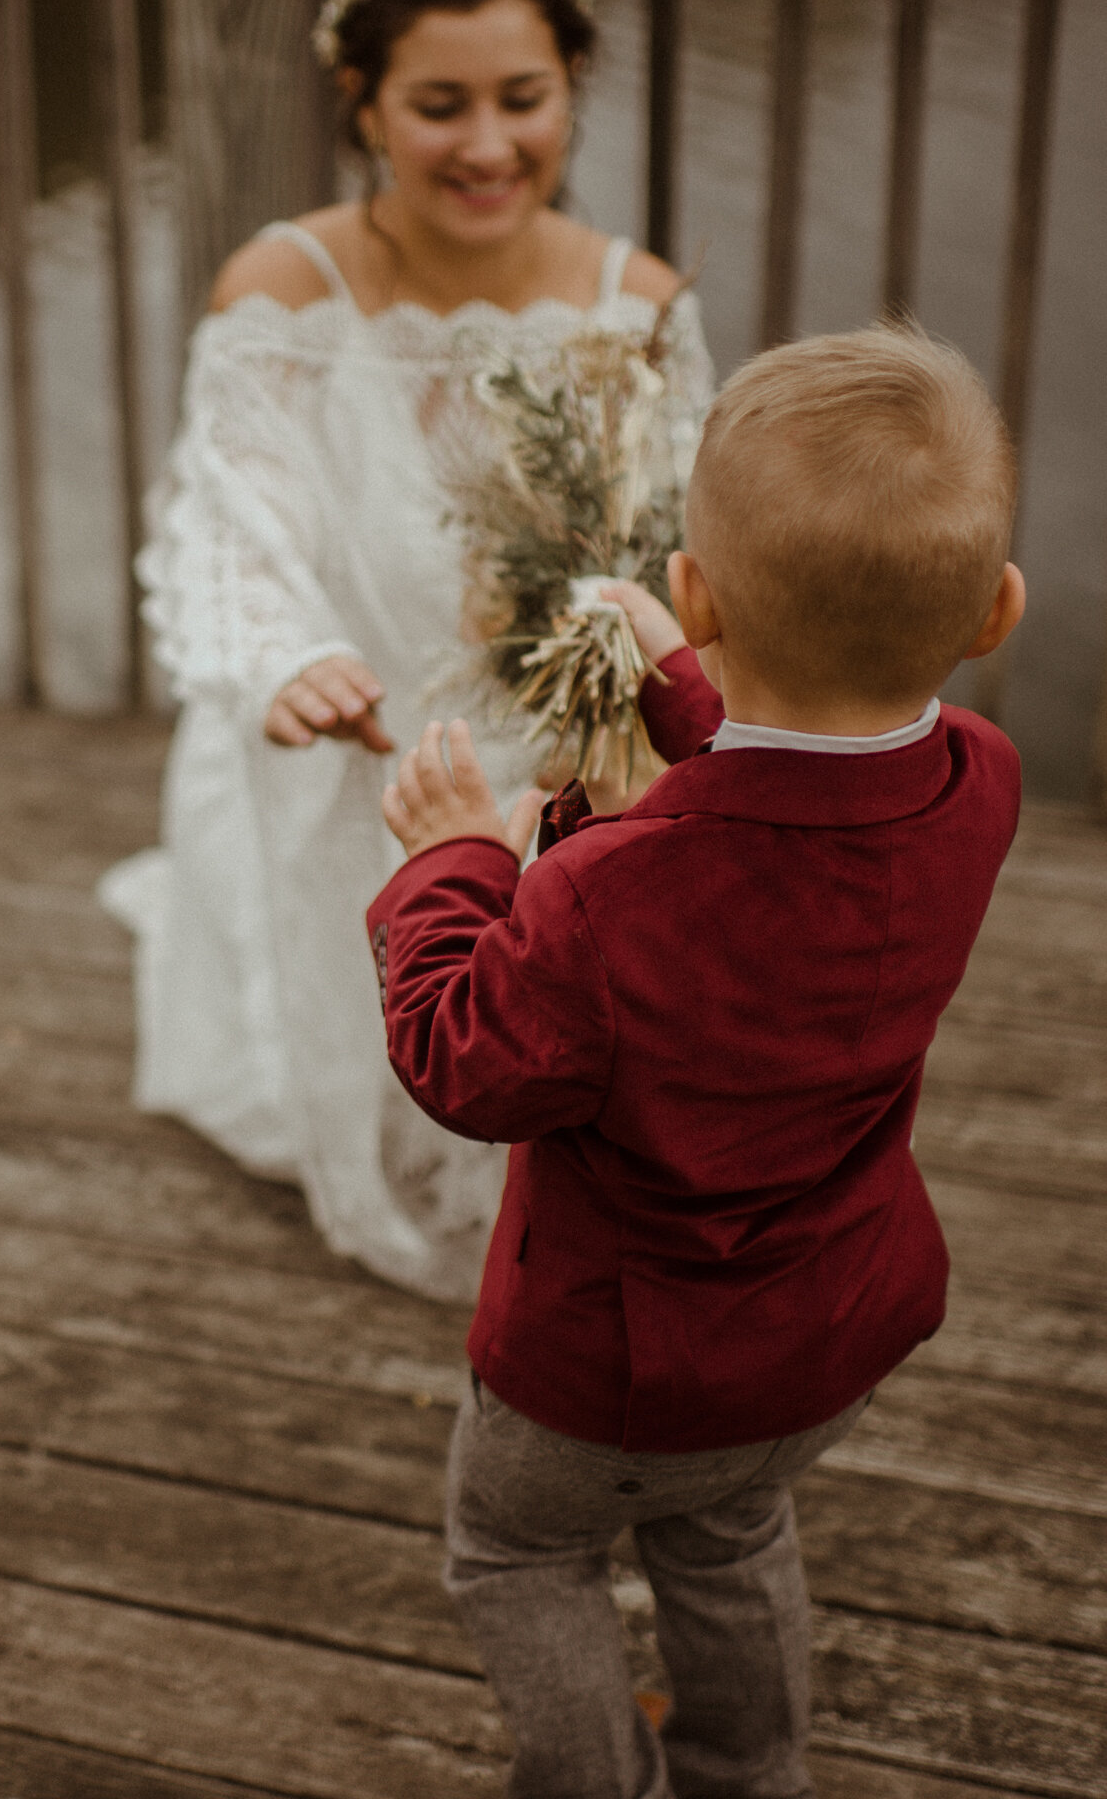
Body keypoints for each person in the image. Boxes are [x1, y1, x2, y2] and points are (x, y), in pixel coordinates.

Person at [367, 325, 1026, 1798]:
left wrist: (455, 865)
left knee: (518, 1559)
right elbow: (805, 803)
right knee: (730, 1533)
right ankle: (749, 1773)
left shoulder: (605, 890)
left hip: (605, 1373)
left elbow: (469, 1061)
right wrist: (681, 700)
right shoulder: (983, 784)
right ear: (996, 609)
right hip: (829, 1334)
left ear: (693, 589)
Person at [100, 0, 713, 1301]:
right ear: (366, 108)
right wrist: (287, 658)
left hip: (558, 747)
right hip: (351, 725)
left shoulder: (643, 307)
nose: (487, 144)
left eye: (522, 98)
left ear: (570, 94)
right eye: (440, 105)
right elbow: (230, 520)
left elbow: (687, 553)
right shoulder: (281, 291)